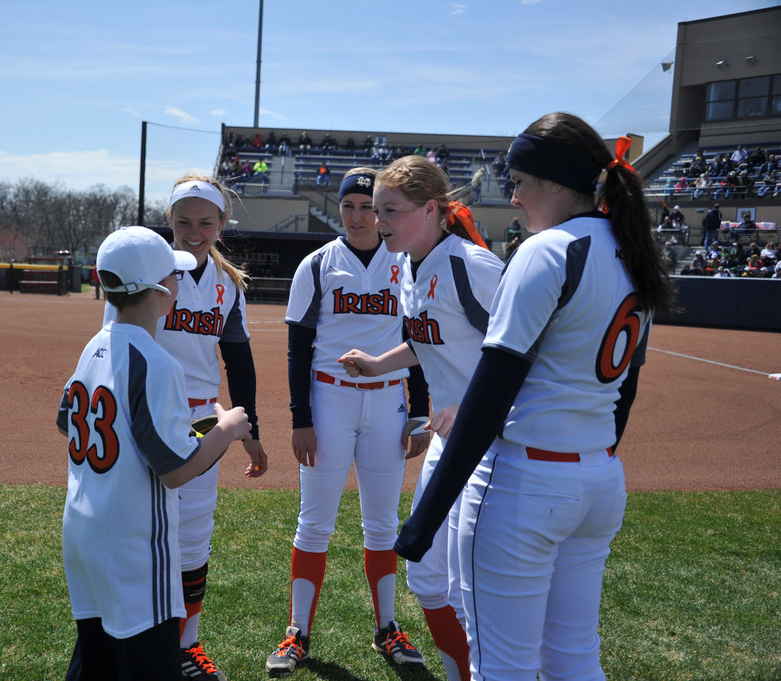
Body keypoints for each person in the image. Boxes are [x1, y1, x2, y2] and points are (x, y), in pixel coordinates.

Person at [392, 113, 674, 680]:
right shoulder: (631, 251)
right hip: (599, 479)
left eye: (520, 181)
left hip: (526, 480)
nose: (514, 196)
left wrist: (425, 520)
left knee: (503, 667)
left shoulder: (548, 250)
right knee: (573, 659)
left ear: (556, 181)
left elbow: (492, 389)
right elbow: (626, 389)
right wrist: (595, 457)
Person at [58, 225, 252, 681]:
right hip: (133, 544)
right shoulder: (155, 361)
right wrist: (227, 430)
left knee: (96, 659)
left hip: (83, 531)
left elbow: (69, 421)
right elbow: (176, 470)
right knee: (150, 665)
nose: (179, 283)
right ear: (162, 288)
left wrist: (190, 430)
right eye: (174, 276)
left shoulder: (95, 344)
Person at [339, 155, 505, 681]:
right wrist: (378, 364)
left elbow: (528, 353)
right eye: (376, 211)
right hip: (450, 441)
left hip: (494, 447)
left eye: (390, 210)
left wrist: (473, 408)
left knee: (470, 587)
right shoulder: (410, 264)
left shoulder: (471, 265)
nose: (378, 221)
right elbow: (429, 340)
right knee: (428, 577)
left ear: (431, 209)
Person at [265, 167, 432, 676]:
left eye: (369, 207)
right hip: (329, 399)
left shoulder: (404, 262)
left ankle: (387, 628)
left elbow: (419, 340)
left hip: (388, 402)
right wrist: (300, 417)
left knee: (382, 523)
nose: (359, 217)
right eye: (350, 207)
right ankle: (297, 632)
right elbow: (298, 348)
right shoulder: (317, 264)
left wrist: (420, 410)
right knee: (314, 522)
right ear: (338, 209)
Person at [104, 175, 270, 680]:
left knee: (194, 540)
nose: (194, 232)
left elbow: (238, 362)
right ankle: (131, 639)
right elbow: (113, 347)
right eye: (183, 222)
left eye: (205, 222)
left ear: (221, 223)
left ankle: (186, 644)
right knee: (138, 534)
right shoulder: (146, 271)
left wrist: (250, 431)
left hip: (201, 418)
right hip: (145, 411)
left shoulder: (229, 284)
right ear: (169, 221)